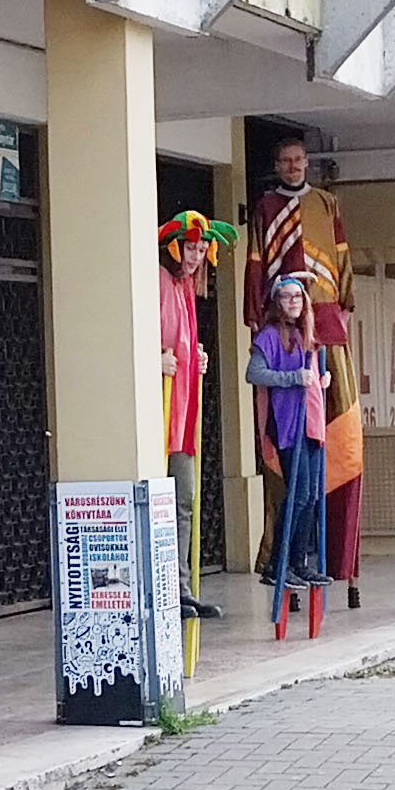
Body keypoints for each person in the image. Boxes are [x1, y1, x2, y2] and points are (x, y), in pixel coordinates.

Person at [242, 136, 363, 604]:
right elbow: (257, 265)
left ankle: (329, 561)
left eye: (298, 160)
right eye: (285, 161)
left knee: (333, 464)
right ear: (277, 165)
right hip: (286, 360)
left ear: (307, 162)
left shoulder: (327, 203)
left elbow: (343, 259)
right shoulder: (265, 207)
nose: (293, 167)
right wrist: (259, 318)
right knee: (291, 479)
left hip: (327, 327)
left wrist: (341, 310)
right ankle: (280, 561)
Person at [158, 212, 236, 621]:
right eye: (191, 248)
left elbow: (182, 341)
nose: (196, 256)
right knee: (163, 504)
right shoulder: (156, 280)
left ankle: (181, 590)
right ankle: (164, 591)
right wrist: (155, 360)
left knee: (184, 502)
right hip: (157, 416)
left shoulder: (187, 287)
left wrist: (195, 356)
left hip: (183, 415)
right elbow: (132, 337)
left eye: (202, 249)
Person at [249, 276, 333, 587]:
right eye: (286, 297)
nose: (293, 301)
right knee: (298, 494)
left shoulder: (306, 335)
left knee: (310, 496)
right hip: (288, 423)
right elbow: (254, 373)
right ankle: (277, 563)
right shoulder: (270, 336)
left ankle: (299, 562)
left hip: (311, 423)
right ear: (277, 302)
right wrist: (292, 377)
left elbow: (310, 375)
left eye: (298, 296)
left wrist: (321, 380)